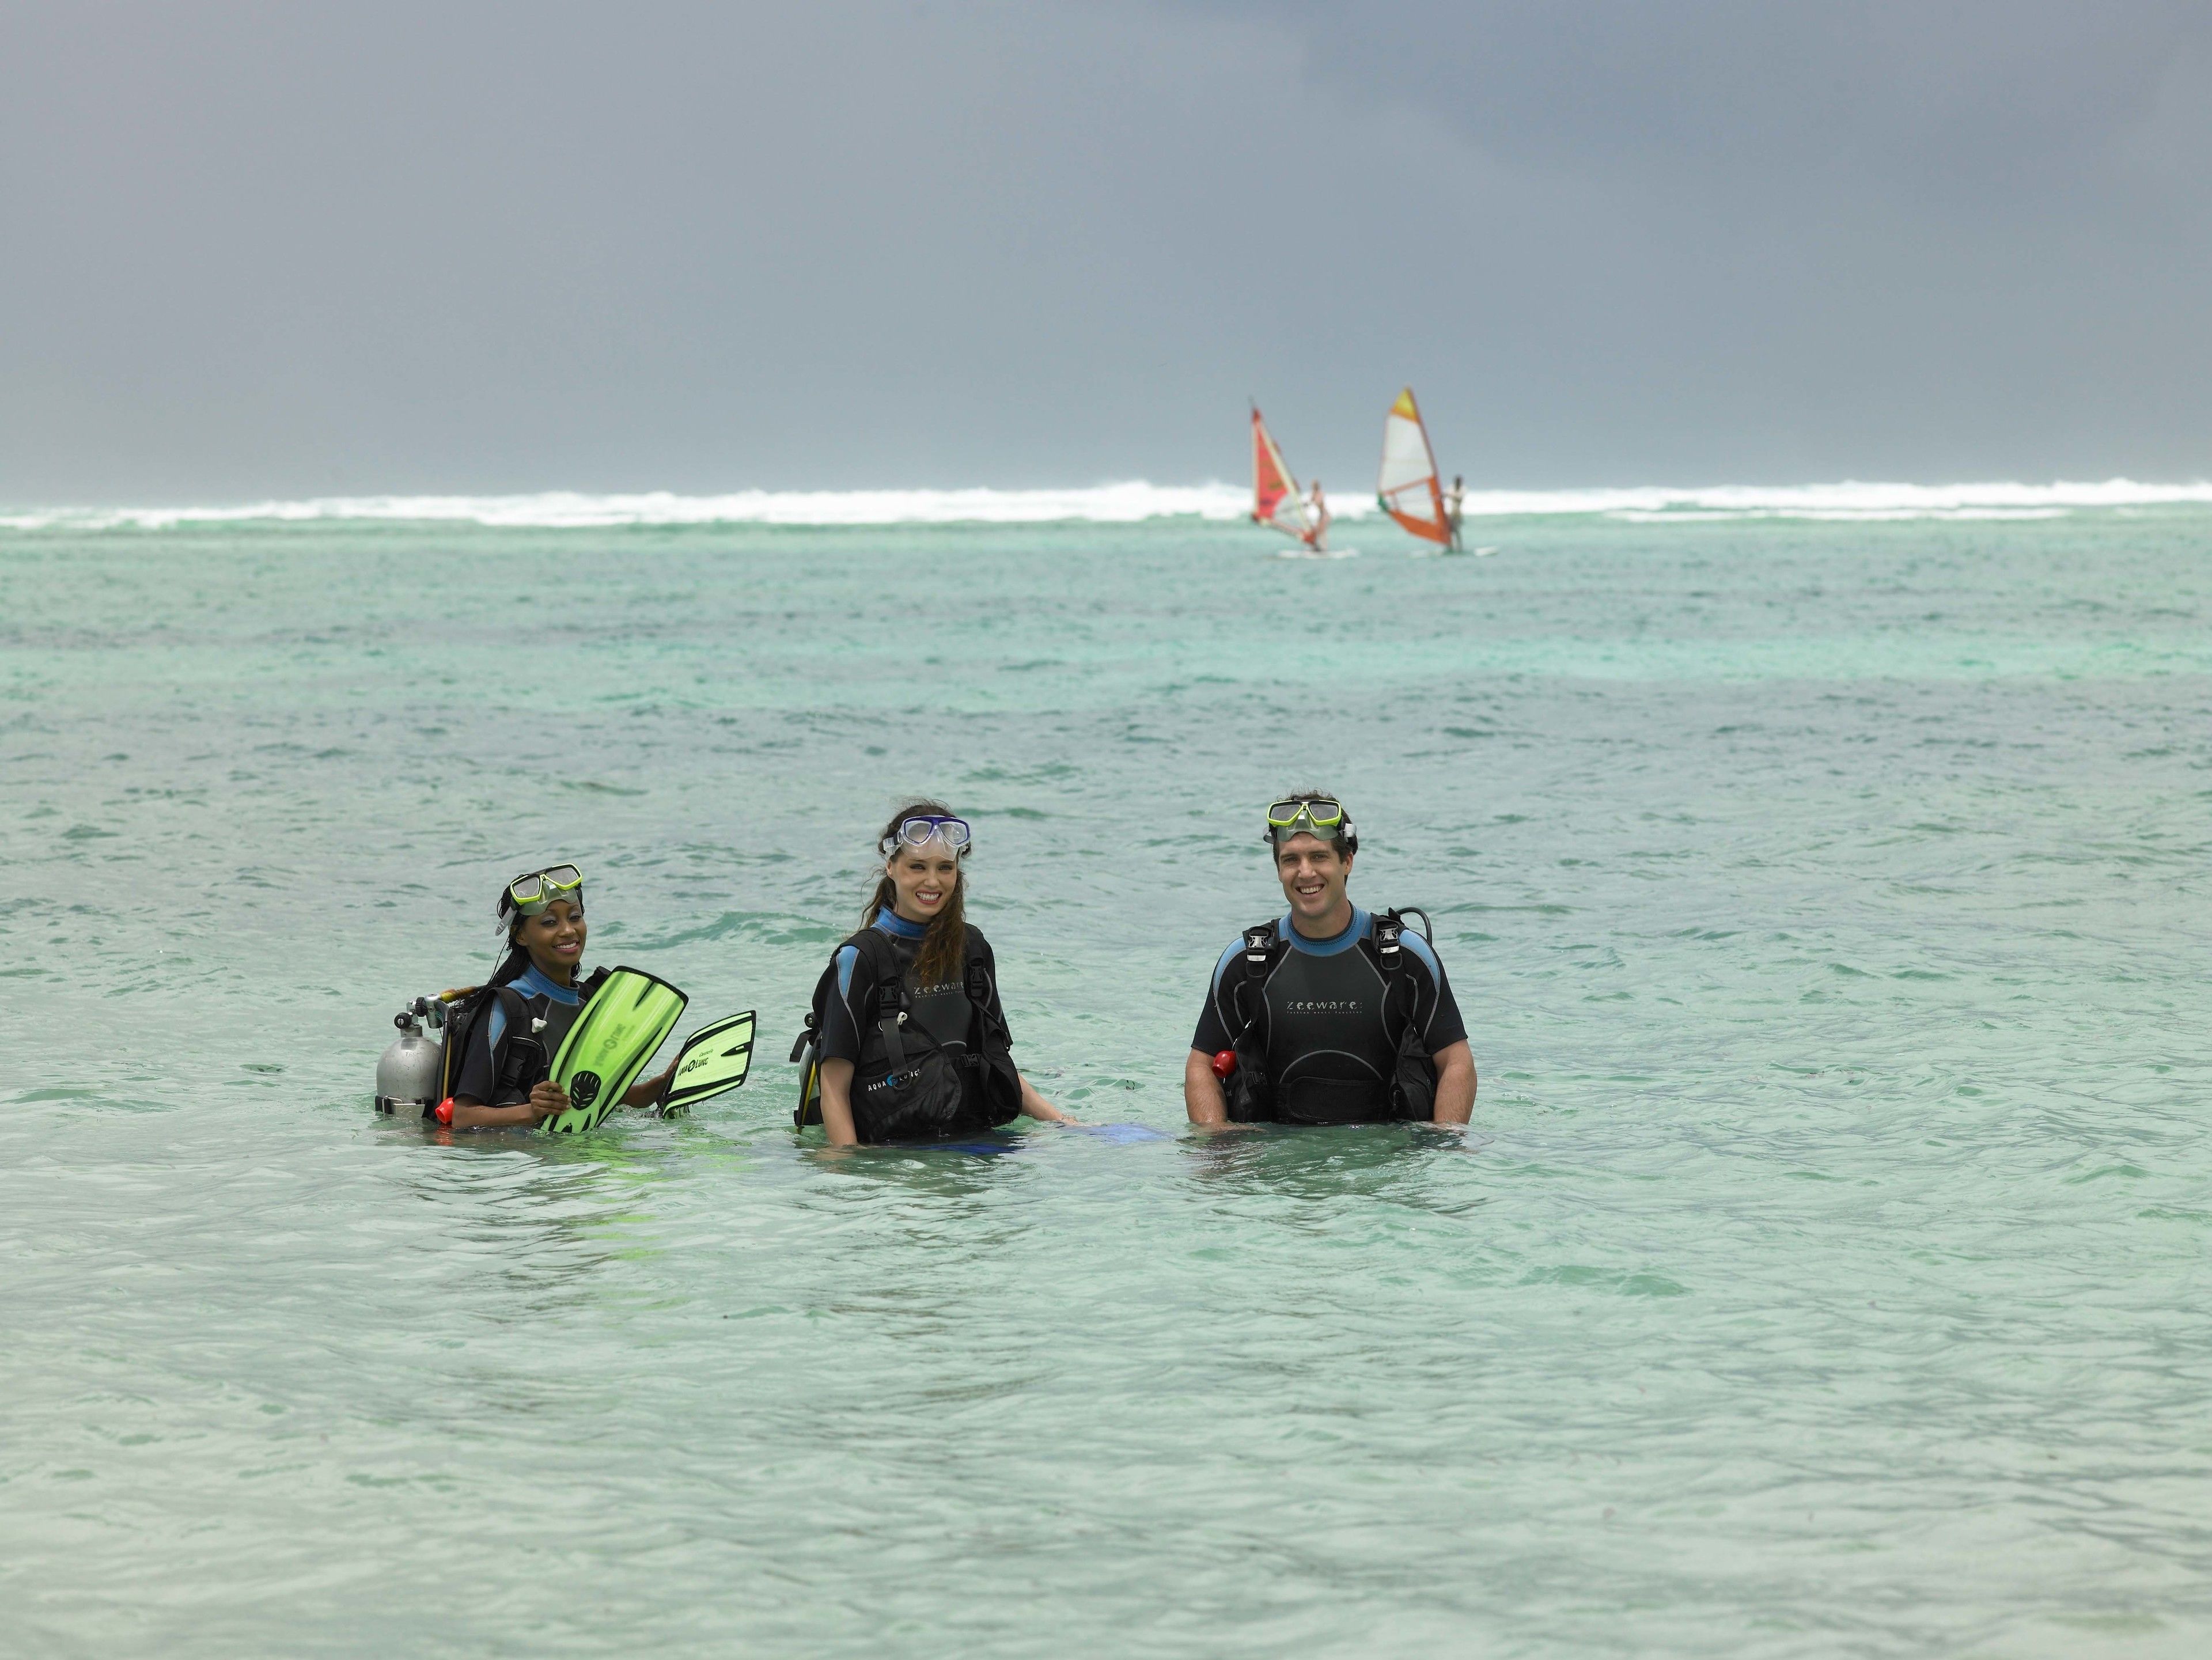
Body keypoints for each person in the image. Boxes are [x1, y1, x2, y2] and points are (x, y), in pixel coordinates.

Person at [1184, 793, 1476, 1128]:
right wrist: (1216, 1139)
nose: (1305, 872)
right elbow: (1201, 1064)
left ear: (1347, 861)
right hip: (1277, 1154)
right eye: (1291, 860)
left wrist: (1446, 1143)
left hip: (1389, 1154)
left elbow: (1456, 1061)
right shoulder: (1248, 961)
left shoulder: (1405, 957)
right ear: (1278, 869)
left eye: (1319, 856)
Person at [806, 802, 1074, 1146]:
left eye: (945, 868)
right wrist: (848, 1169)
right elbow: (833, 1088)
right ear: (891, 867)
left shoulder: (973, 949)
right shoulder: (859, 958)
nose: (932, 881)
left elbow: (994, 1061)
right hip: (892, 1156)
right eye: (917, 866)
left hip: (977, 1142)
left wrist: (1066, 1124)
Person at [446, 865, 673, 1129]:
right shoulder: (506, 1008)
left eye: (575, 917)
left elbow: (605, 1091)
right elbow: (463, 1117)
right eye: (549, 922)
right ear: (520, 935)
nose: (568, 931)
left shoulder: (591, 1001)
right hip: (515, 1152)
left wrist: (663, 1083)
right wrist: (531, 1111)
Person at [1305, 478, 1332, 552]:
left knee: (1322, 531)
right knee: (1316, 531)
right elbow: (1310, 502)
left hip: (1324, 514)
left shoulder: (1320, 493)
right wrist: (1306, 504)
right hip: (1321, 515)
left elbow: (1319, 502)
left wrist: (1312, 502)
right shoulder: (1313, 494)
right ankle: (1316, 547)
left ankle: (1324, 548)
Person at [1446, 474, 1465, 552]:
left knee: (1456, 530)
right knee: (1449, 530)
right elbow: (1447, 494)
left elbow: (1459, 498)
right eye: (1457, 482)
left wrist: (1450, 496)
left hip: (1458, 513)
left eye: (1459, 482)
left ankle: (1460, 547)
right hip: (1452, 513)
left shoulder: (1463, 489)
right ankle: (1450, 546)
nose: (1458, 483)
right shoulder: (1452, 488)